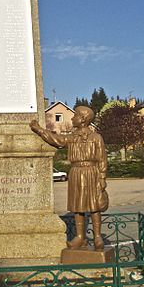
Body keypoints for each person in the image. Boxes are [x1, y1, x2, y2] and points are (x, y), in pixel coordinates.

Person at [30, 106, 108, 251]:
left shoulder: (96, 137)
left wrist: (102, 178)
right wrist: (40, 130)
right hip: (76, 173)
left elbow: (102, 159)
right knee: (77, 206)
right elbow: (57, 140)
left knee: (94, 205)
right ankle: (79, 237)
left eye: (75, 116)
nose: (72, 118)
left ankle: (97, 237)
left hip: (92, 172)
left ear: (83, 119)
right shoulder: (72, 137)